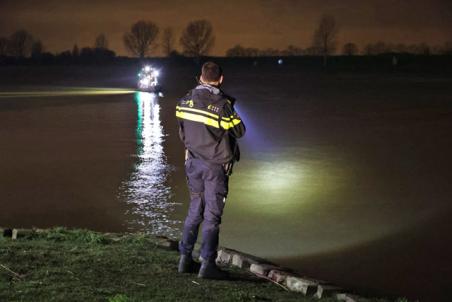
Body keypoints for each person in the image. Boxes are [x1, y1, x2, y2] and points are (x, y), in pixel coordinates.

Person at [176, 61, 245, 279]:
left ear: (200, 77)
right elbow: (240, 130)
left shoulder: (184, 100)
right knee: (212, 217)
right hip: (215, 166)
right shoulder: (223, 105)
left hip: (192, 163)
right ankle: (207, 265)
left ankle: (184, 260)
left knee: (195, 209)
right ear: (220, 79)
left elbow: (182, 133)